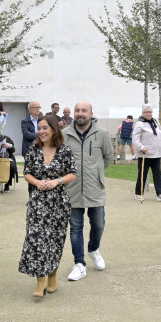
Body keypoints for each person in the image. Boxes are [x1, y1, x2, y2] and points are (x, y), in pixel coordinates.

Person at [20, 114, 77, 297]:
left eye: (45, 128)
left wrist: (57, 181)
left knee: (55, 238)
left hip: (59, 201)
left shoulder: (65, 150)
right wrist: (37, 182)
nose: (41, 131)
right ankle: (40, 279)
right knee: (35, 236)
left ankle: (52, 274)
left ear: (54, 130)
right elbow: (26, 172)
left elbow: (72, 173)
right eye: (40, 128)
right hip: (38, 200)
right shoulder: (33, 149)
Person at [63, 102, 112, 281]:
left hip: (95, 188)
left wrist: (96, 174)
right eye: (77, 111)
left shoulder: (102, 134)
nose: (80, 114)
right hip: (72, 189)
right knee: (75, 227)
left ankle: (93, 248)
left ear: (91, 113)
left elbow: (108, 158)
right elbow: (60, 159)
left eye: (84, 111)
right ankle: (79, 264)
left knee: (98, 224)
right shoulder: (64, 135)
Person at [133, 104, 161, 201]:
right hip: (145, 154)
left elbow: (158, 133)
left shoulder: (155, 121)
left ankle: (160, 194)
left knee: (157, 174)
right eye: (147, 112)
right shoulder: (139, 124)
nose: (149, 114)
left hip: (156, 153)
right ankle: (138, 193)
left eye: (150, 112)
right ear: (143, 113)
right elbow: (135, 139)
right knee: (142, 174)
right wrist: (141, 147)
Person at [0, 127, 17, 194]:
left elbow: (13, 150)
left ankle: (7, 184)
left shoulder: (6, 138)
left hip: (7, 158)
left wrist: (9, 146)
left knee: (11, 166)